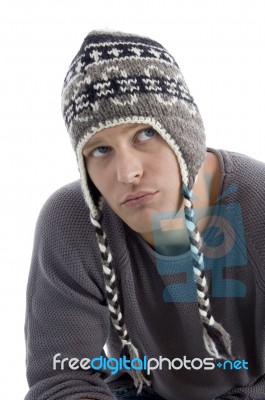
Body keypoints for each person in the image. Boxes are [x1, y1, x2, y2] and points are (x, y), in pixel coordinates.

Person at [24, 30, 265, 400]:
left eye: (145, 133)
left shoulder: (259, 204)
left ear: (184, 135)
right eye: (100, 149)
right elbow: (61, 379)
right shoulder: (70, 223)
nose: (127, 172)